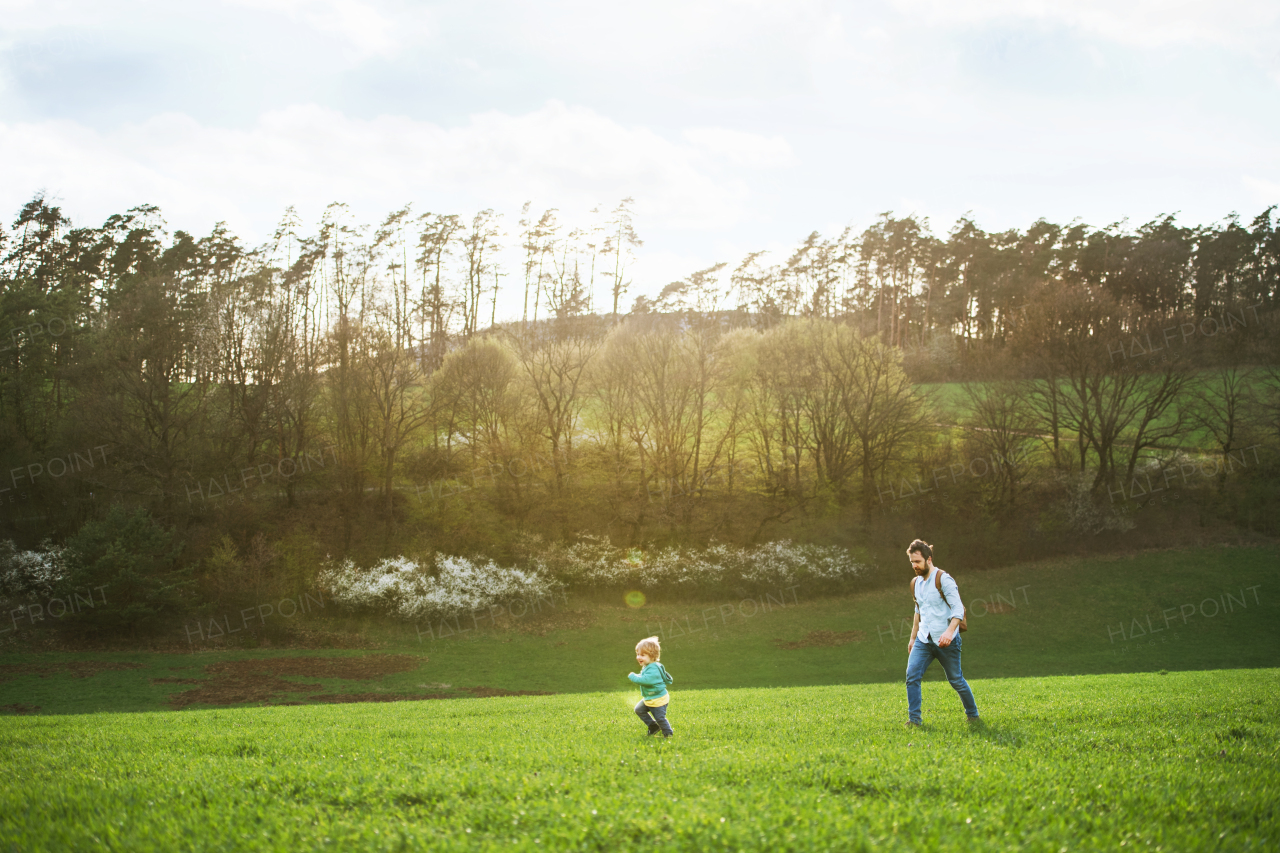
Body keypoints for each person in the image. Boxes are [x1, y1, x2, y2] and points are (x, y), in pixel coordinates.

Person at [904, 539, 980, 727]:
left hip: (947, 640)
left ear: (928, 560)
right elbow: (918, 612)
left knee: (956, 680)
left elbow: (958, 610)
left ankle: (973, 715)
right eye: (912, 562)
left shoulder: (943, 579)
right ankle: (914, 720)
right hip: (924, 639)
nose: (914, 566)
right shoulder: (916, 584)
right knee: (911, 676)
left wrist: (949, 632)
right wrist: (913, 638)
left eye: (917, 562)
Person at [628, 635, 674, 738]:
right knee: (639, 710)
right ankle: (653, 726)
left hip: (658, 699)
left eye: (643, 655)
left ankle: (668, 734)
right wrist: (639, 675)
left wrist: (633, 676)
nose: (639, 657)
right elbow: (644, 676)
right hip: (650, 697)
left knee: (660, 718)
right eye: (638, 654)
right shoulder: (648, 666)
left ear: (652, 656)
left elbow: (646, 680)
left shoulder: (653, 669)